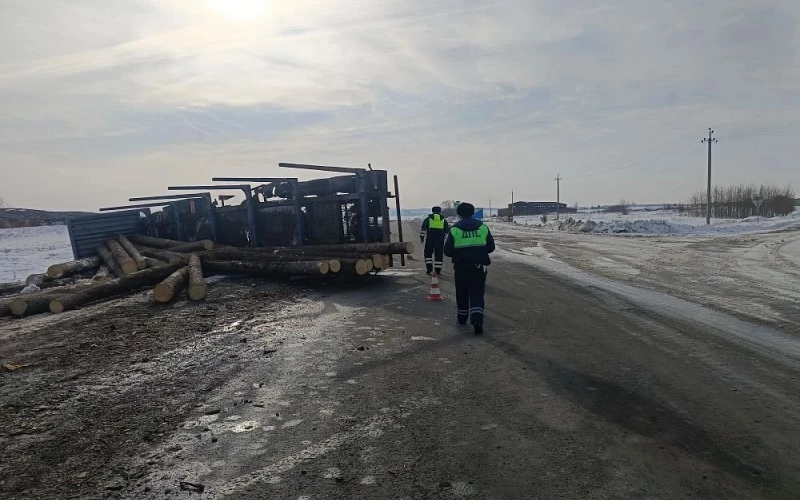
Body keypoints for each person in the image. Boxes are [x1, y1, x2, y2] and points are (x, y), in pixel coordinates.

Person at [443, 202, 495, 334]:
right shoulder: (483, 227)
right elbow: (491, 247)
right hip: (478, 266)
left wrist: (460, 253)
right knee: (477, 293)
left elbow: (447, 251)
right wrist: (479, 252)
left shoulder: (454, 229)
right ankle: (477, 320)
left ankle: (462, 318)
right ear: (473, 213)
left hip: (461, 267)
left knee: (462, 292)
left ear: (459, 214)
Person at [419, 206, 449, 275]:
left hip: (430, 239)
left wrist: (422, 237)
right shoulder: (443, 220)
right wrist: (444, 238)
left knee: (428, 253)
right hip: (440, 240)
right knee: (439, 254)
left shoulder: (428, 219)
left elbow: (423, 228)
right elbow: (447, 231)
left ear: (432, 211)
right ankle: (438, 271)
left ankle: (429, 270)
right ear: (440, 211)